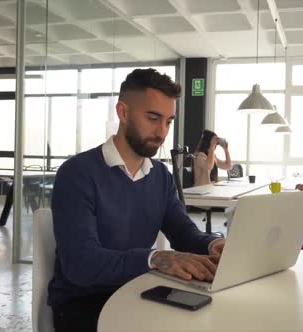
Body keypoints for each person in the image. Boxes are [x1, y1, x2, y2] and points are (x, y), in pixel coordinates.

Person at [49, 68, 225, 332]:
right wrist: (155, 259)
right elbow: (81, 264)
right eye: (153, 118)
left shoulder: (160, 176)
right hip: (83, 304)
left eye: (168, 121)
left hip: (139, 291)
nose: (162, 132)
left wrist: (214, 244)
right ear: (123, 112)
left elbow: (183, 233)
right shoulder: (77, 174)